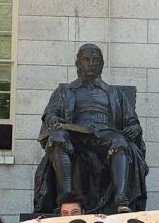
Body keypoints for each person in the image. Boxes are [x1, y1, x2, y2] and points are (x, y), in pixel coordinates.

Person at [34, 43, 148, 214]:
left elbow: (132, 121)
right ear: (78, 63)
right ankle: (68, 199)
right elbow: (51, 114)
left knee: (120, 140)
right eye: (86, 59)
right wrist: (54, 119)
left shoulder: (115, 93)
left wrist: (135, 128)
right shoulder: (64, 91)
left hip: (105, 135)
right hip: (74, 134)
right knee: (56, 138)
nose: (91, 63)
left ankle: (121, 199)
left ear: (101, 64)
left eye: (96, 60)